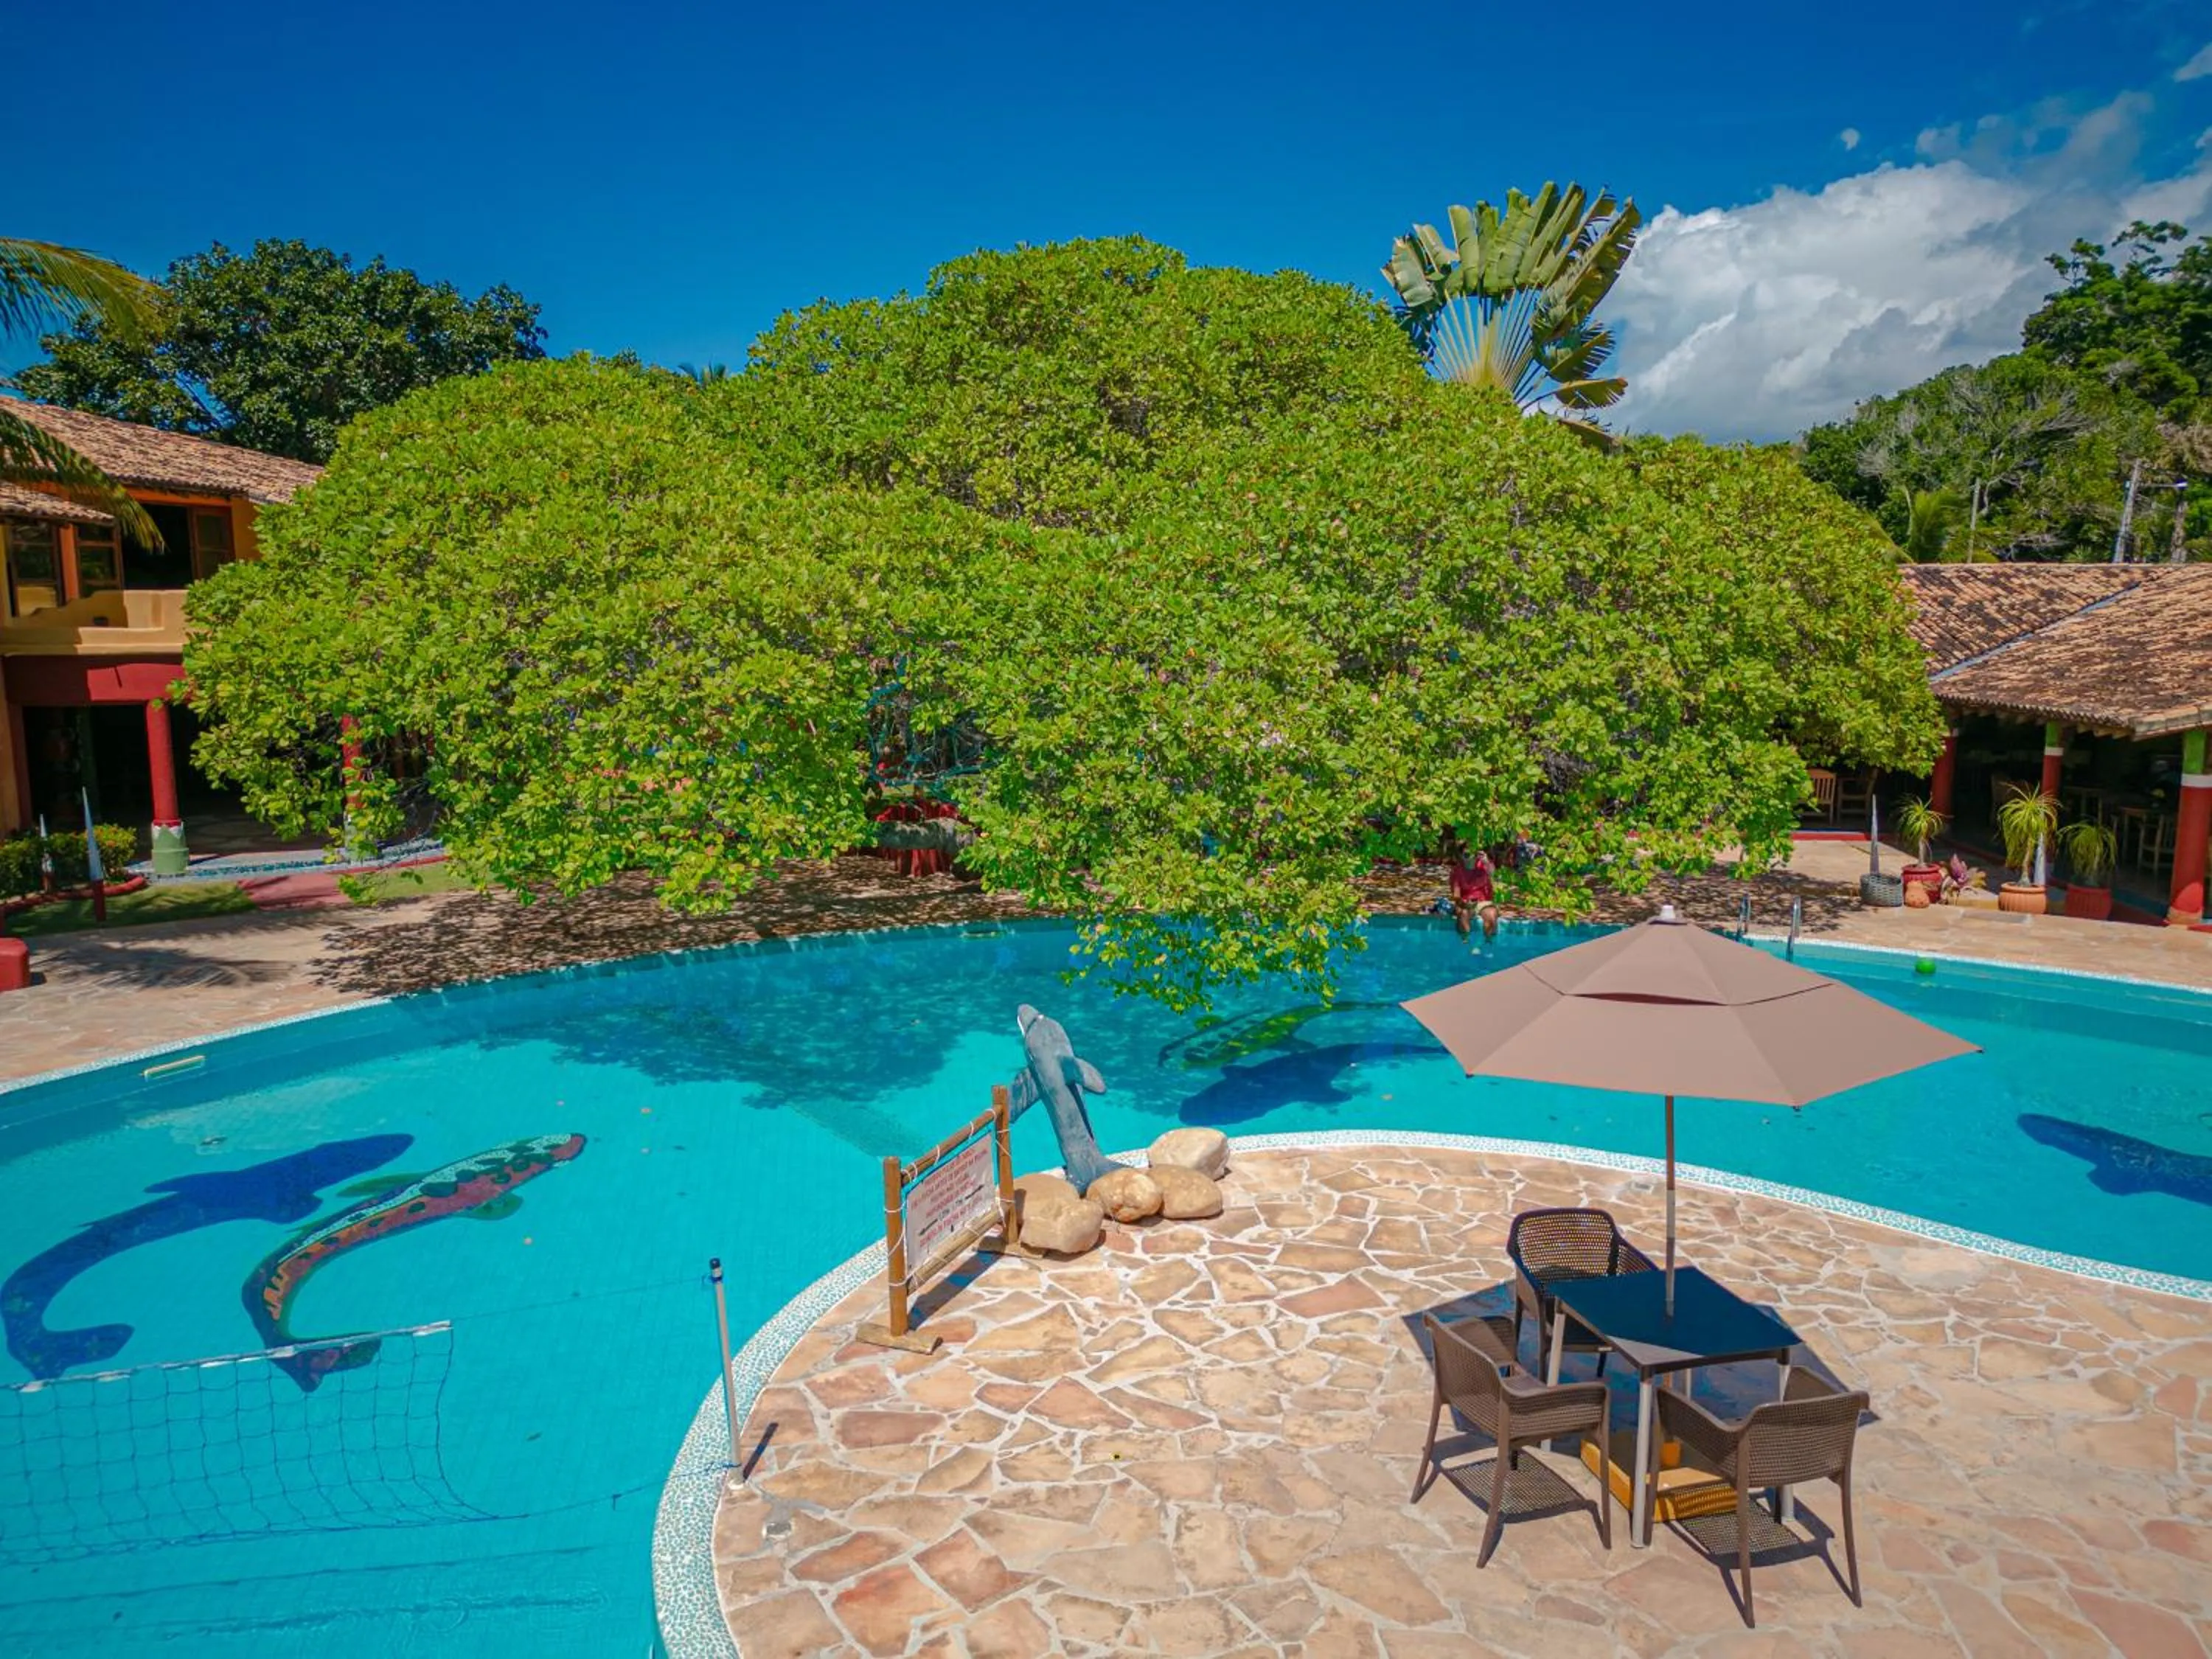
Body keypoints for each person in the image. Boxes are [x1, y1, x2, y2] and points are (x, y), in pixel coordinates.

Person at [1447, 841, 1498, 942]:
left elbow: (1493, 873)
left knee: (1491, 915)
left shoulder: (1484, 866)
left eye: (1473, 854)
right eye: (1466, 855)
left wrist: (1486, 861)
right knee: (1463, 915)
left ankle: (1489, 942)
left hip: (1483, 902)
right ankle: (1465, 941)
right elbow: (1456, 895)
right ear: (1461, 856)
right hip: (1465, 902)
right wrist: (1464, 904)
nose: (1470, 858)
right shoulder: (1457, 871)